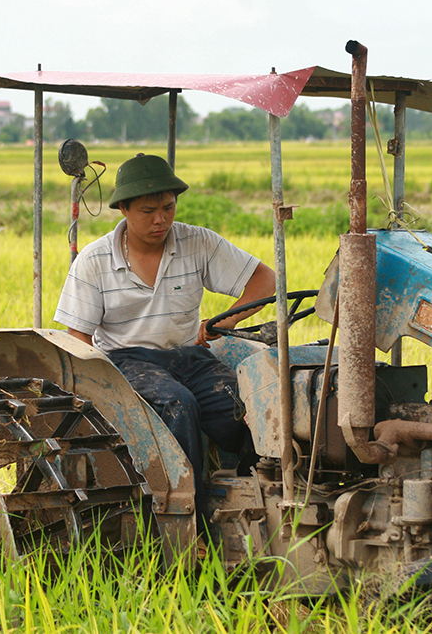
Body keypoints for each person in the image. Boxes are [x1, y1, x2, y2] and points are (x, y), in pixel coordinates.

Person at [53, 153, 275, 528]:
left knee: (250, 403)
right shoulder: (94, 261)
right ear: (123, 208)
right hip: (125, 363)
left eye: (168, 207)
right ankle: (190, 522)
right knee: (178, 403)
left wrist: (224, 321)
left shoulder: (196, 242)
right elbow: (77, 339)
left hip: (189, 358)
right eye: (148, 210)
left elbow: (264, 280)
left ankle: (255, 508)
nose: (161, 219)